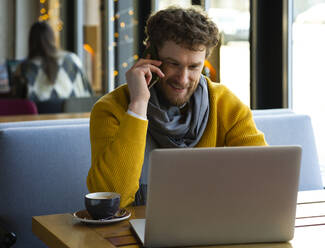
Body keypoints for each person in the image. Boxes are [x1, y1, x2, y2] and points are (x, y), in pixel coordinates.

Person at [87, 6, 267, 207]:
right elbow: (113, 197)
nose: (183, 79)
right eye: (173, 64)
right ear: (150, 56)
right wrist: (138, 105)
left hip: (211, 228)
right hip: (133, 232)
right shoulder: (110, 109)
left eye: (193, 67)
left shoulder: (226, 105)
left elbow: (264, 180)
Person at [12, 21, 92, 101]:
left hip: (40, 113)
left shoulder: (24, 68)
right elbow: (89, 93)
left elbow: (17, 103)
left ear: (31, 41)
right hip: (76, 112)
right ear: (52, 38)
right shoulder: (73, 59)